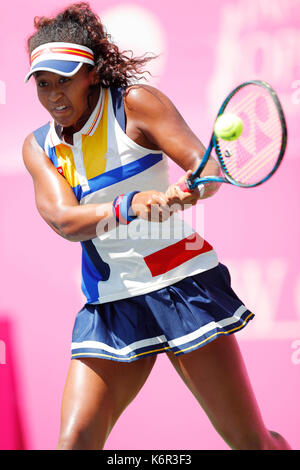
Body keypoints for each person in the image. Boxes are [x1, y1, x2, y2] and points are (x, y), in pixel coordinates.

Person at [22, 2, 291, 451]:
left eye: (64, 80)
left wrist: (193, 189)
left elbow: (204, 173)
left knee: (251, 444)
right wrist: (132, 204)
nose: (54, 96)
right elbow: (65, 221)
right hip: (111, 302)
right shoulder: (38, 147)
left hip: (181, 284)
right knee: (74, 442)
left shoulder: (136, 104)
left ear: (92, 72)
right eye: (44, 84)